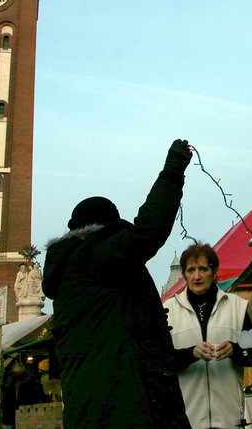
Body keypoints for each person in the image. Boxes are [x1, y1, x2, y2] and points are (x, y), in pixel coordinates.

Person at [42, 139, 193, 428]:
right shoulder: (96, 253)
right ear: (107, 228)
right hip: (125, 407)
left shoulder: (68, 277)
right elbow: (149, 229)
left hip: (89, 409)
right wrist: (173, 169)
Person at [163, 243, 252, 429]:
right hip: (186, 418)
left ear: (214, 271)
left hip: (230, 417)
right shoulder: (169, 310)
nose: (197, 276)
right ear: (184, 274)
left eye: (203, 269)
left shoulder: (236, 307)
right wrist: (191, 354)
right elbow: (160, 361)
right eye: (191, 270)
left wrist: (235, 349)